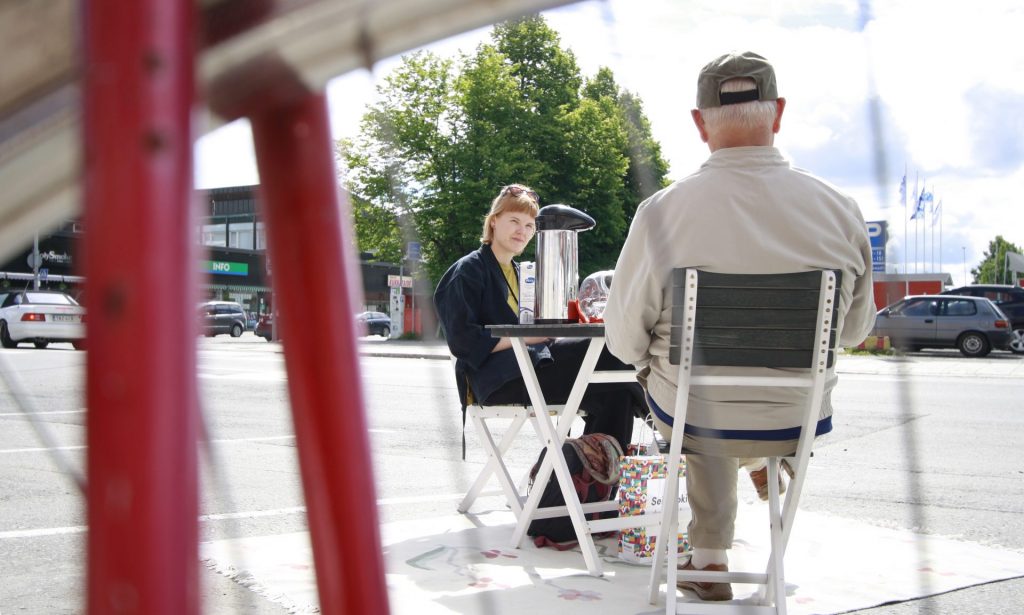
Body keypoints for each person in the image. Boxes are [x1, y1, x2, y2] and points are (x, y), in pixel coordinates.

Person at [603, 51, 875, 601]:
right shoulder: (840, 209)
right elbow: (852, 333)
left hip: (697, 415)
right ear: (777, 113)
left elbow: (622, 336)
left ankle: (708, 559)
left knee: (689, 391)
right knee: (723, 395)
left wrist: (648, 359)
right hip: (795, 414)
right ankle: (764, 466)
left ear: (700, 123)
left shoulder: (661, 212)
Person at [434, 184, 643, 453]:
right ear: (494, 221)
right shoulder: (467, 271)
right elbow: (463, 342)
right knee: (610, 350)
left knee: (617, 394)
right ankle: (667, 424)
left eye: (530, 225)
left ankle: (589, 484)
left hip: (534, 366)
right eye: (514, 221)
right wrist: (528, 337)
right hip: (499, 381)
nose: (523, 231)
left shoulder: (524, 273)